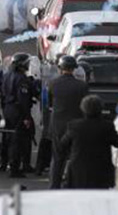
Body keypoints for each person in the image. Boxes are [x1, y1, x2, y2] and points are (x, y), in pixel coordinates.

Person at [57, 95, 118, 189]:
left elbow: (62, 145)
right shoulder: (107, 126)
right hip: (101, 170)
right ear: (100, 108)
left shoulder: (74, 126)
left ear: (83, 109)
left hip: (78, 170)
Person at [48, 55, 89, 189]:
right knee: (75, 158)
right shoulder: (82, 86)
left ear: (60, 68)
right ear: (74, 69)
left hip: (58, 125)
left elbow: (49, 104)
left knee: (57, 158)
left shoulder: (53, 84)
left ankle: (54, 186)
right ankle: (72, 186)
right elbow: (85, 106)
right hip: (76, 125)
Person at [2, 53, 34, 178]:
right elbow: (23, 100)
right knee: (18, 139)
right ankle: (14, 168)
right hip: (18, 110)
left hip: (8, 108)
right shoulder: (21, 78)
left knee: (10, 137)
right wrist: (26, 117)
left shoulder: (7, 75)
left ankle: (10, 164)